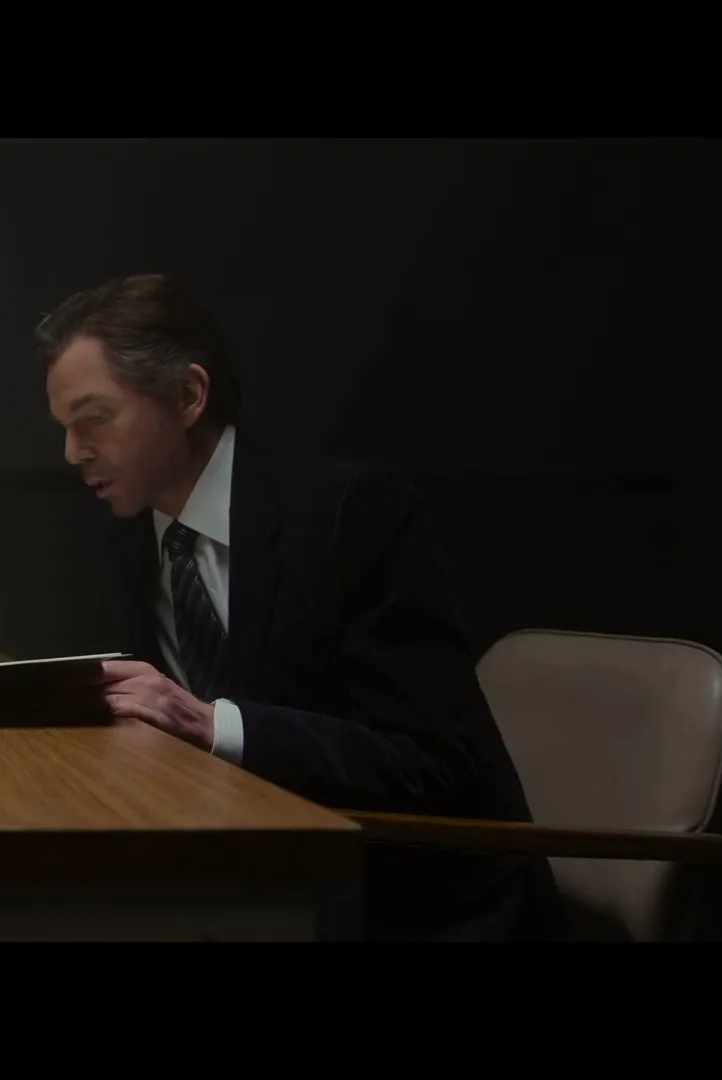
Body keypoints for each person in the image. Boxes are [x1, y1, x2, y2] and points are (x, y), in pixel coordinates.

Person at [36, 273, 566, 942]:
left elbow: (435, 765)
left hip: (402, 900)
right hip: (235, 876)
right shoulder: (124, 543)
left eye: (93, 419)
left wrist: (214, 725)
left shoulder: (353, 515)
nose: (72, 452)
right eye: (64, 428)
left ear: (188, 395)